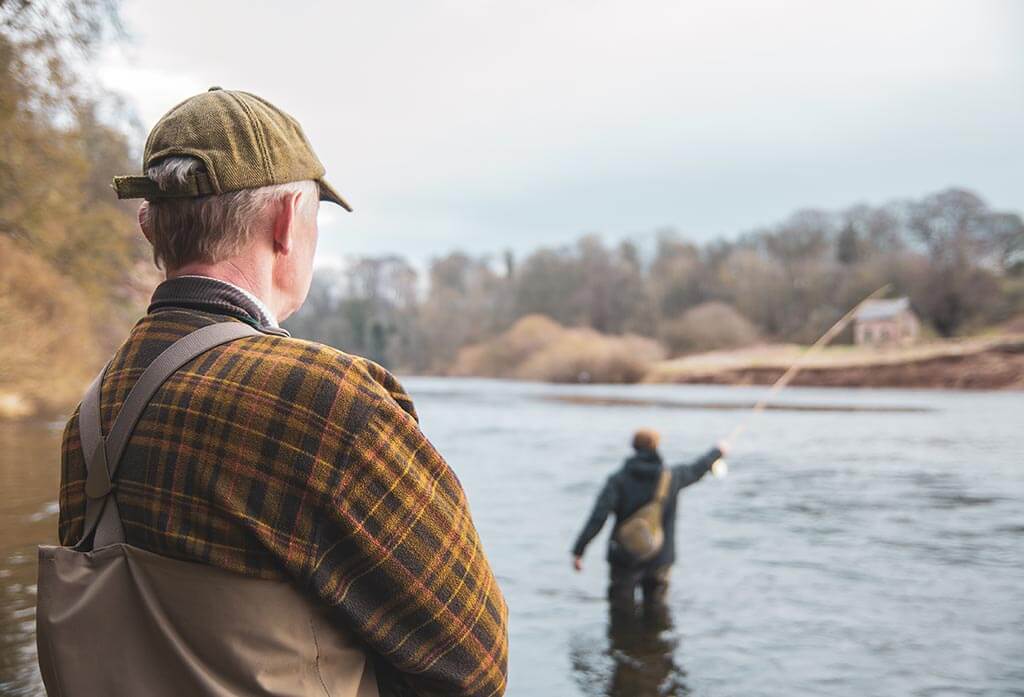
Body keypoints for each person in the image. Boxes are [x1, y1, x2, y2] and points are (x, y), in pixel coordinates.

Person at [46, 88, 507, 697]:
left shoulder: (93, 408)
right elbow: (473, 665)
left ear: (148, 223)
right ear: (288, 221)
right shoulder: (327, 402)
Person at [571, 429, 726, 614]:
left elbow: (598, 518)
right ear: (656, 446)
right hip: (660, 557)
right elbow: (697, 468)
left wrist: (579, 551)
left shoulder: (618, 480)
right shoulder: (672, 477)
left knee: (620, 614)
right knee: (658, 613)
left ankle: (622, 642)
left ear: (633, 447)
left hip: (624, 557)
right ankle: (653, 641)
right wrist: (718, 451)